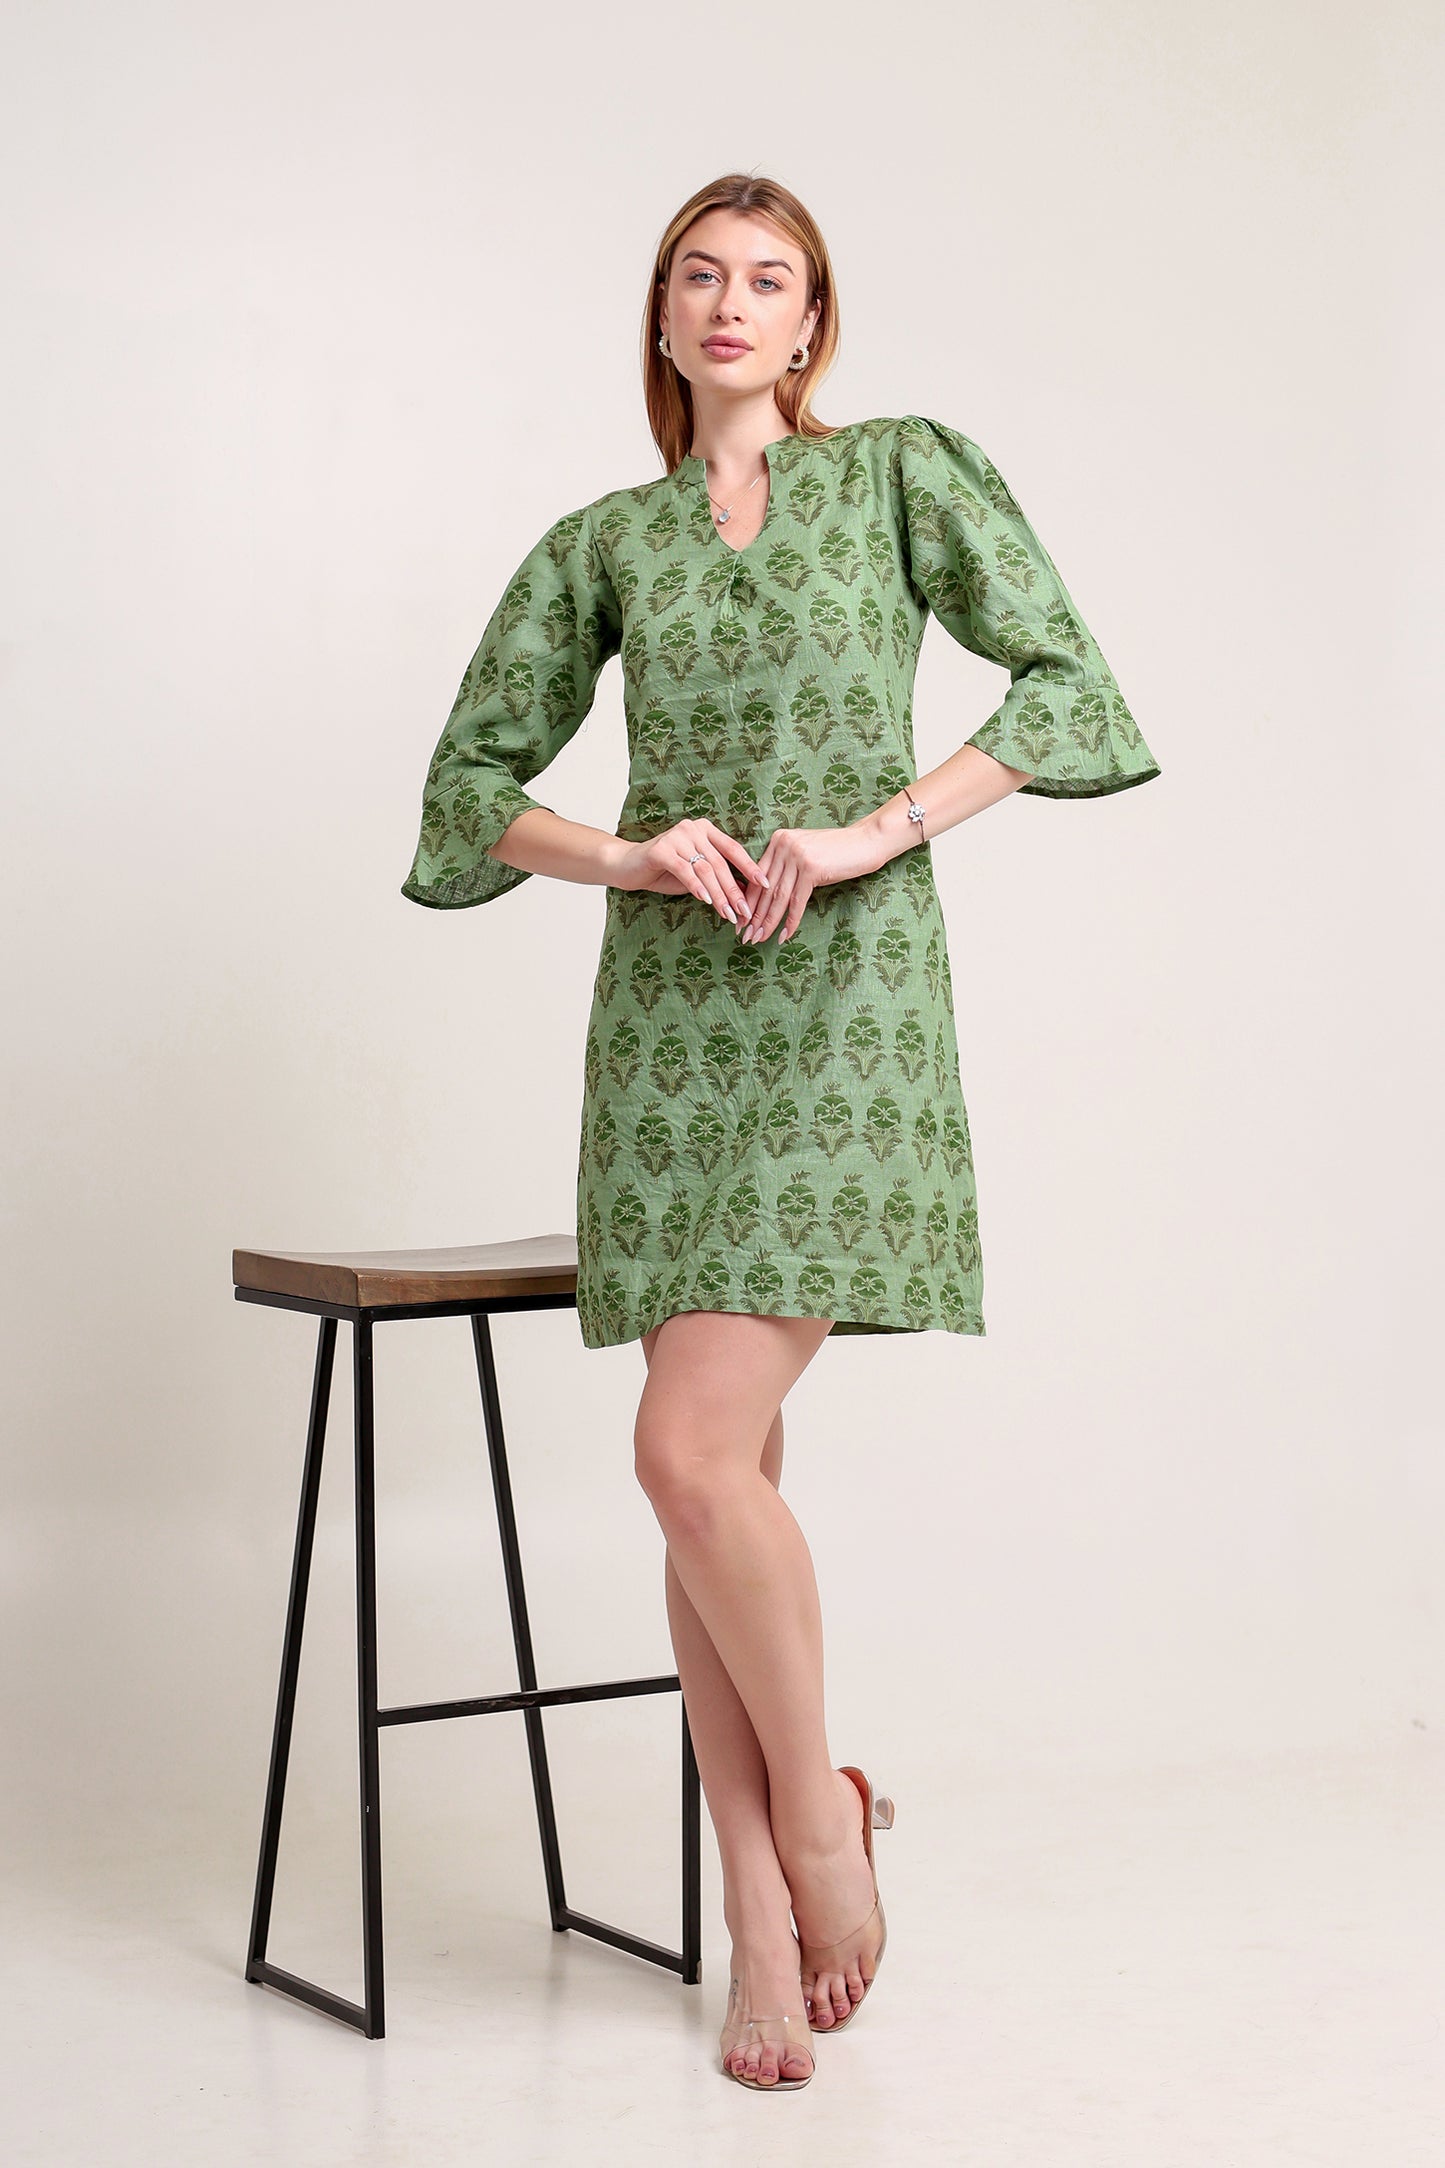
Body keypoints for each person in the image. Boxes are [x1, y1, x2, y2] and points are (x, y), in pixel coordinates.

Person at [401, 172, 1161, 2091]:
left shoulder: (897, 474)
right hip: (668, 1029)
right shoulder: (605, 543)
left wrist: (867, 831)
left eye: (772, 280)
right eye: (697, 277)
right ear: (658, 321)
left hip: (842, 1007)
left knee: (684, 1450)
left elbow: (1067, 681)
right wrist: (631, 852)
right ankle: (763, 1886)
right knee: (701, 1473)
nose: (732, 304)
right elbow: (469, 788)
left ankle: (813, 1822)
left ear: (813, 326)